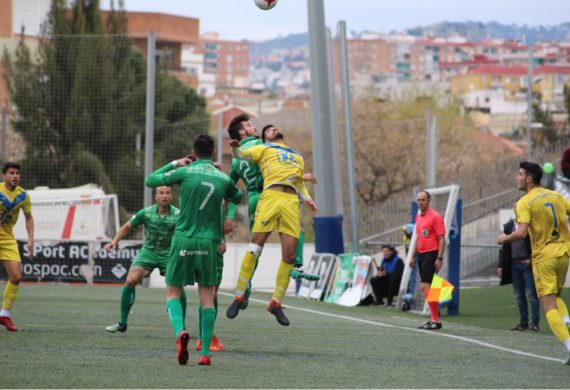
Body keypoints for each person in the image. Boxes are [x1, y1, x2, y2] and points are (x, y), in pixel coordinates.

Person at [145, 134, 242, 366]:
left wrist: (175, 163)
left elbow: (151, 180)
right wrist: (225, 193)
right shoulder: (221, 178)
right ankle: (206, 352)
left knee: (173, 292)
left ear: (193, 151)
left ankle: (180, 331)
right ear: (214, 151)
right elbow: (237, 196)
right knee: (208, 298)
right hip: (208, 242)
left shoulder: (185, 172)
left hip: (183, 239)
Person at [226, 124, 318, 326]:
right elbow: (242, 156)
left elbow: (298, 181)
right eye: (268, 130)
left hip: (291, 202)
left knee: (289, 255)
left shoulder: (296, 156)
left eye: (274, 128)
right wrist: (234, 148)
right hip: (270, 197)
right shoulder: (263, 149)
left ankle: (276, 303)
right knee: (255, 247)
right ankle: (239, 296)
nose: (273, 130)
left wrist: (308, 198)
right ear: (265, 138)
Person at [497, 161, 570, 365]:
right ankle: (567, 323)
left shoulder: (524, 202)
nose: (517, 177)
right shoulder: (556, 196)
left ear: (529, 179)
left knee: (548, 306)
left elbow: (520, 233)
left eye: (520, 174)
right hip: (564, 254)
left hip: (544, 256)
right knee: (555, 297)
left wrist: (504, 238)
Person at [104, 187, 190, 335]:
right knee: (130, 281)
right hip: (148, 252)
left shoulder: (179, 215)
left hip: (170, 254)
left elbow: (188, 233)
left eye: (168, 193)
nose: (165, 196)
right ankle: (122, 323)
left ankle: (181, 327)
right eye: (161, 193)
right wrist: (114, 241)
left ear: (171, 196)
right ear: (156, 196)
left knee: (177, 288)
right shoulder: (146, 213)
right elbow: (127, 227)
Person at [0, 162, 34, 332]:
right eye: (11, 173)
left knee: (16, 276)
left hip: (7, 239)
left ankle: (4, 315)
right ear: (4, 175)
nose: (15, 176)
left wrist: (30, 239)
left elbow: (28, 217)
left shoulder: (23, 196)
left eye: (17, 173)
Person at [409, 190, 445, 330]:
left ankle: (435, 319)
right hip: (422, 254)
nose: (420, 202)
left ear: (429, 201)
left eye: (423, 199)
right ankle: (435, 318)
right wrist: (412, 256)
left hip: (432, 253)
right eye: (418, 200)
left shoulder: (435, 217)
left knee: (424, 286)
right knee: (430, 287)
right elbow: (418, 238)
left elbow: (442, 239)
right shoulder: (418, 217)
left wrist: (439, 257)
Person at [497, 215, 540, 331]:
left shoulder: (530, 224)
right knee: (519, 296)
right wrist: (500, 265)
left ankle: (534, 323)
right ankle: (523, 323)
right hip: (514, 265)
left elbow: (538, 242)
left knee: (532, 295)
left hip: (526, 264)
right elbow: (504, 247)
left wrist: (531, 259)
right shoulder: (509, 225)